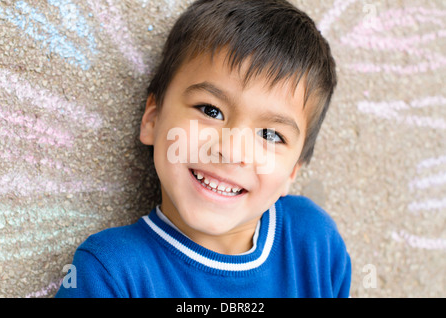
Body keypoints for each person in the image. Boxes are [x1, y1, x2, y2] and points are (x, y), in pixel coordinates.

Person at [56, 0, 351, 298]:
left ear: (292, 171)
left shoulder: (313, 243)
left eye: (270, 134)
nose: (232, 150)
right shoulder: (111, 273)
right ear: (153, 119)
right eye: (210, 110)